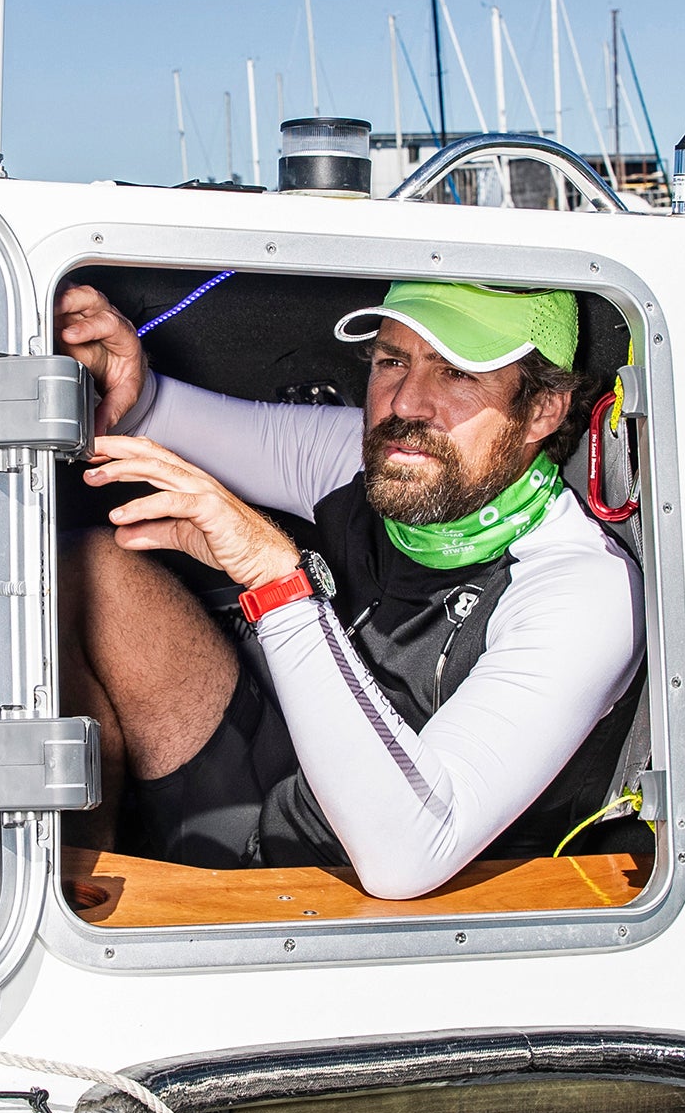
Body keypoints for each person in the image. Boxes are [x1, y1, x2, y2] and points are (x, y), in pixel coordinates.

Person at [55, 278, 643, 900]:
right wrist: (118, 373)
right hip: (284, 785)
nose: (408, 404)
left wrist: (278, 582)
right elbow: (161, 415)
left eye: (458, 374)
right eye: (393, 361)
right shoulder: (381, 460)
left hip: (355, 897)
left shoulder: (581, 589)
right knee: (89, 571)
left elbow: (407, 858)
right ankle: (76, 887)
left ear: (543, 411)